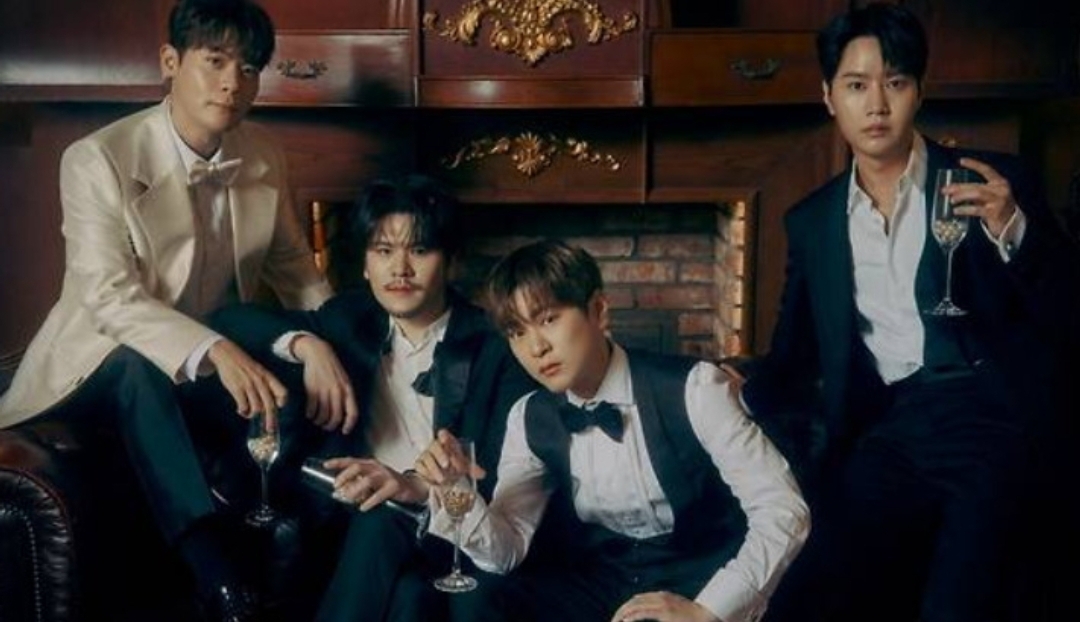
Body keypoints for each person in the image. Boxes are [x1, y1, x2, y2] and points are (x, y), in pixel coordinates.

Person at [739, 4, 1080, 622]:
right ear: (829, 97)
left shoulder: (991, 181)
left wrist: (1013, 229)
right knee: (820, 576)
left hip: (990, 413)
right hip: (892, 425)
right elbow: (793, 355)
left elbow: (1066, 308)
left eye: (894, 82)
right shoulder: (813, 222)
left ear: (919, 92)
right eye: (856, 85)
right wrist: (725, 385)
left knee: (958, 600)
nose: (876, 105)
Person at [0, 1, 332, 620]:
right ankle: (216, 575)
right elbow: (108, 297)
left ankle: (263, 514)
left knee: (293, 386)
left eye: (250, 68)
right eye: (216, 62)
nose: (233, 83)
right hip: (100, 362)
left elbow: (294, 268)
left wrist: (331, 342)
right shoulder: (97, 157)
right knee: (137, 368)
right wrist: (215, 349)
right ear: (171, 62)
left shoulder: (263, 152)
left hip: (206, 367)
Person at [414, 239, 809, 622]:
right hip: (606, 582)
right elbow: (506, 551)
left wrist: (709, 611)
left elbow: (782, 509)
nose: (536, 348)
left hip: (701, 579)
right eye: (517, 332)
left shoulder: (695, 388)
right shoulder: (529, 416)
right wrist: (453, 487)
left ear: (599, 311)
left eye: (548, 319)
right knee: (479, 600)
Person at [212, 174, 536, 622]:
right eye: (383, 251)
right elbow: (229, 320)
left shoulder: (492, 346)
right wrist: (308, 346)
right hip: (357, 523)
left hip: (450, 526)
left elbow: (504, 471)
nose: (399, 269)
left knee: (385, 523)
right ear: (365, 265)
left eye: (419, 250)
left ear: (452, 263)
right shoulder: (348, 320)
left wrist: (416, 486)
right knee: (408, 596)